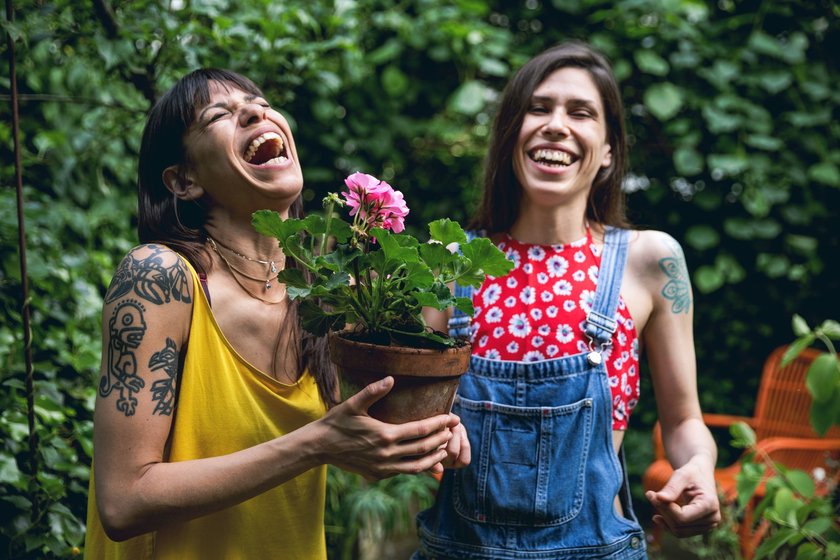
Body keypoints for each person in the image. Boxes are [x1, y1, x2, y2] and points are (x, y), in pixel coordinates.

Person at [84, 68, 469, 559]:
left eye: (259, 102)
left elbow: (356, 449)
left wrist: (418, 436)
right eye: (218, 115)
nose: (254, 111)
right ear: (184, 181)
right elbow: (123, 501)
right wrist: (316, 444)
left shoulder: (329, 296)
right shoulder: (159, 280)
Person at [414, 41, 721, 559]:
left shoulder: (650, 260)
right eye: (539, 108)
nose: (557, 124)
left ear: (607, 152)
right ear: (512, 137)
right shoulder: (451, 262)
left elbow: (684, 421)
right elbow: (407, 412)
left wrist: (699, 467)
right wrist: (421, 439)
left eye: (581, 112)